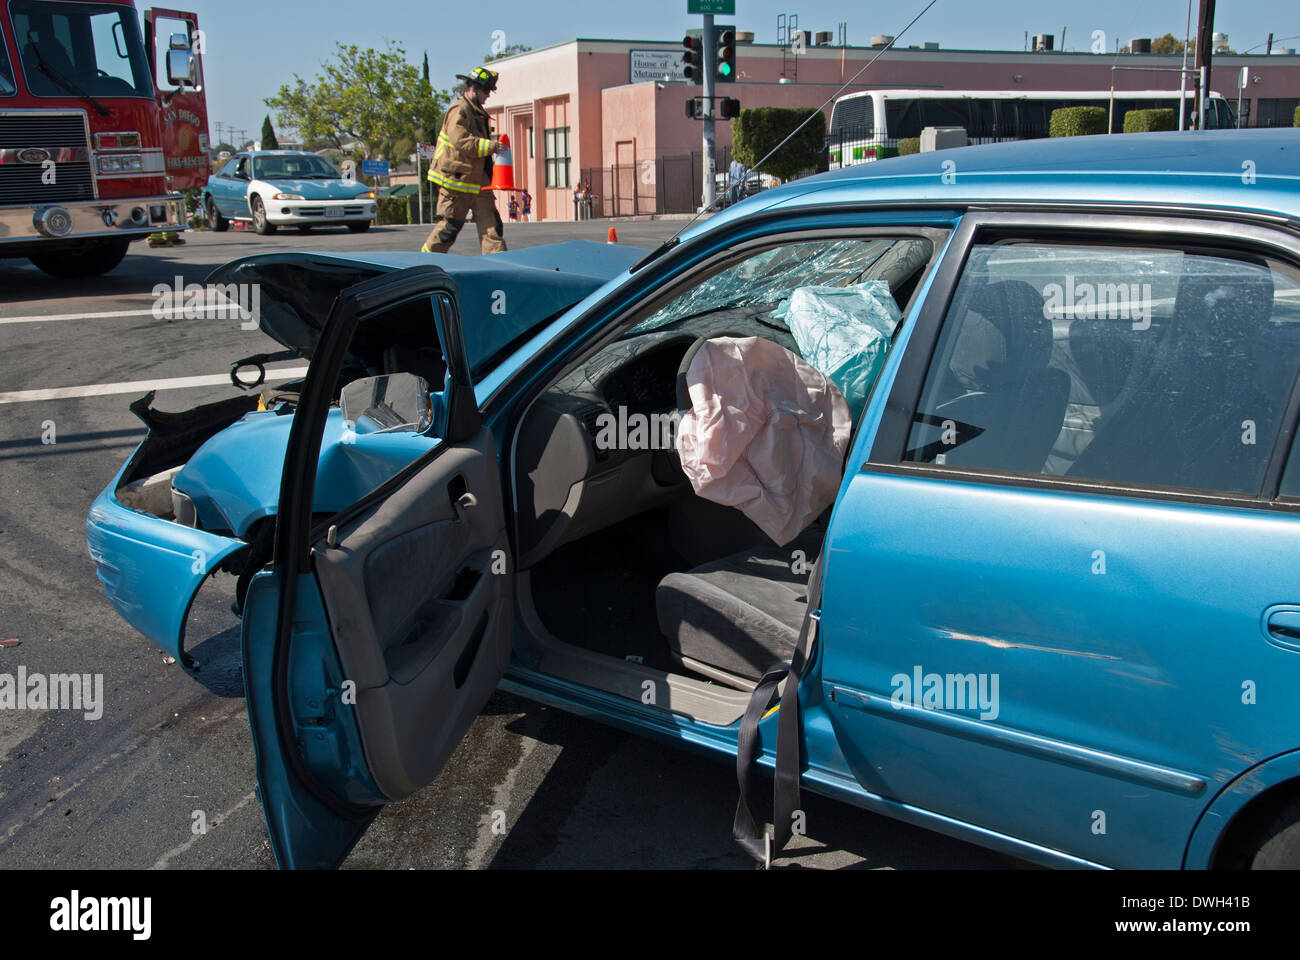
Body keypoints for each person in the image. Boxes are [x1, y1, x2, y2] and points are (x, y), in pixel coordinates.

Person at [421, 66, 508, 254]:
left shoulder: (476, 111)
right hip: (456, 182)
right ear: (474, 88)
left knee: (492, 229)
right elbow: (460, 140)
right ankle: (423, 263)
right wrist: (492, 146)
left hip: (479, 183)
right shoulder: (460, 109)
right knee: (448, 230)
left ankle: (501, 269)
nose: (488, 96)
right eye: (486, 91)